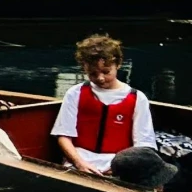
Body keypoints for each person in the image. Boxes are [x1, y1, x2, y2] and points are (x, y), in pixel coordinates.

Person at [53, 33, 157, 178]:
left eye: (106, 72)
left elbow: (144, 145)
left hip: (119, 166)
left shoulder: (138, 99)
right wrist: (79, 163)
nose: (100, 78)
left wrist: (120, 168)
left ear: (118, 64)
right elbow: (63, 136)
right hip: (78, 162)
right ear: (84, 68)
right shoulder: (75, 93)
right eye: (92, 73)